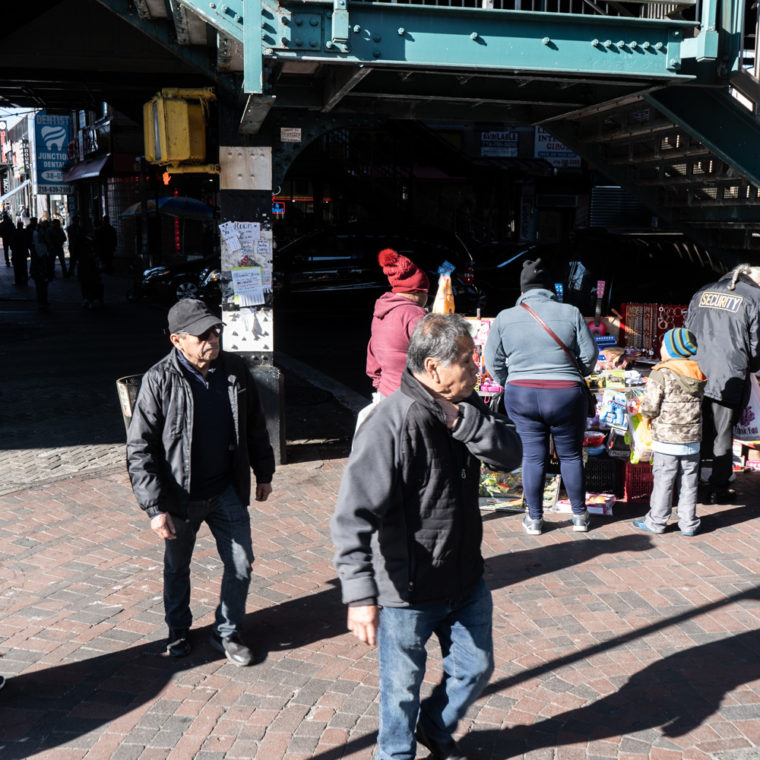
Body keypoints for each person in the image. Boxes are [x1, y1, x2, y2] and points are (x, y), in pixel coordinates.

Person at [332, 313, 521, 760]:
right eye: (467, 362)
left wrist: (467, 425)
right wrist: (360, 596)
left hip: (465, 577)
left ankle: (434, 726)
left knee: (475, 668)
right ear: (434, 368)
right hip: (408, 589)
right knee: (400, 692)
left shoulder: (469, 408)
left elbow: (512, 455)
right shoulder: (390, 424)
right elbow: (351, 516)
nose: (477, 370)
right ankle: (395, 754)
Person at [126, 299, 274, 666]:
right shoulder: (158, 379)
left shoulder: (234, 369)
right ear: (178, 340)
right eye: (201, 335)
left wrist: (264, 472)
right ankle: (177, 630)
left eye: (214, 330)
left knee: (241, 562)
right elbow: (139, 448)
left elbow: (255, 424)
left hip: (225, 489)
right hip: (180, 497)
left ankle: (226, 631)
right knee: (177, 567)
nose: (212, 338)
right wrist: (155, 507)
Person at [484, 258, 598, 536]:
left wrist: (508, 381)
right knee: (570, 456)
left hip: (522, 394)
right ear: (551, 289)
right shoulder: (571, 312)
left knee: (533, 457)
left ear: (523, 290)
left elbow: (492, 361)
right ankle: (580, 517)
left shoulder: (504, 317)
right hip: (565, 395)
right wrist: (575, 372)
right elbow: (590, 355)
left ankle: (534, 519)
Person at [686, 264, 760, 503]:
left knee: (695, 429)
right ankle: (718, 488)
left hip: (694, 373)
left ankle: (689, 483)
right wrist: (755, 367)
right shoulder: (754, 298)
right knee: (722, 433)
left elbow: (688, 331)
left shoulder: (702, 291)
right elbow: (756, 343)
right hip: (728, 375)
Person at [632, 328, 706, 536]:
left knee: (664, 480)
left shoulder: (661, 372)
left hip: (667, 439)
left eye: (664, 345)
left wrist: (642, 410)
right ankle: (689, 523)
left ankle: (657, 521)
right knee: (689, 481)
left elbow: (650, 407)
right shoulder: (697, 371)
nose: (661, 348)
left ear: (673, 349)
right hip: (692, 439)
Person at [357, 248, 429, 429]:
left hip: (387, 395)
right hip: (413, 398)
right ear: (419, 291)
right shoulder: (415, 315)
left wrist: (381, 387)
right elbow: (433, 358)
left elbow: (372, 358)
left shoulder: (381, 311)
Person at [28, 218, 51, 312]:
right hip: (41, 273)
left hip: (40, 273)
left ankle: (42, 302)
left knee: (41, 288)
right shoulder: (42, 250)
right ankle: (43, 302)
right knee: (42, 288)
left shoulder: (38, 250)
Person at [10, 220, 29, 287]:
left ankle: (18, 280)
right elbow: (27, 242)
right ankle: (25, 278)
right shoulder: (24, 232)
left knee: (17, 268)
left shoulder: (14, 232)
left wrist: (12, 249)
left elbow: (12, 243)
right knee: (24, 266)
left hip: (16, 252)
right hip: (23, 252)